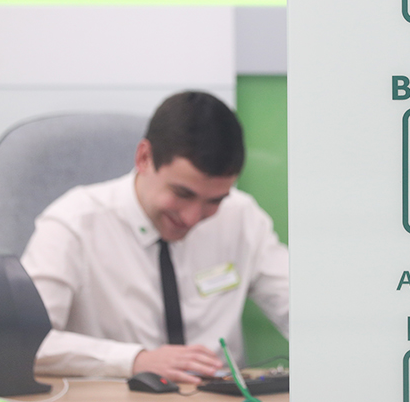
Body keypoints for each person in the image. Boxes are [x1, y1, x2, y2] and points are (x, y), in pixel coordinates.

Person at [20, 91, 289, 384]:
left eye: (214, 201)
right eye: (182, 193)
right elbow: (25, 342)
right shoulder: (74, 224)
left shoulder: (242, 217)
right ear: (144, 158)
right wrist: (135, 360)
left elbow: (303, 312)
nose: (192, 218)